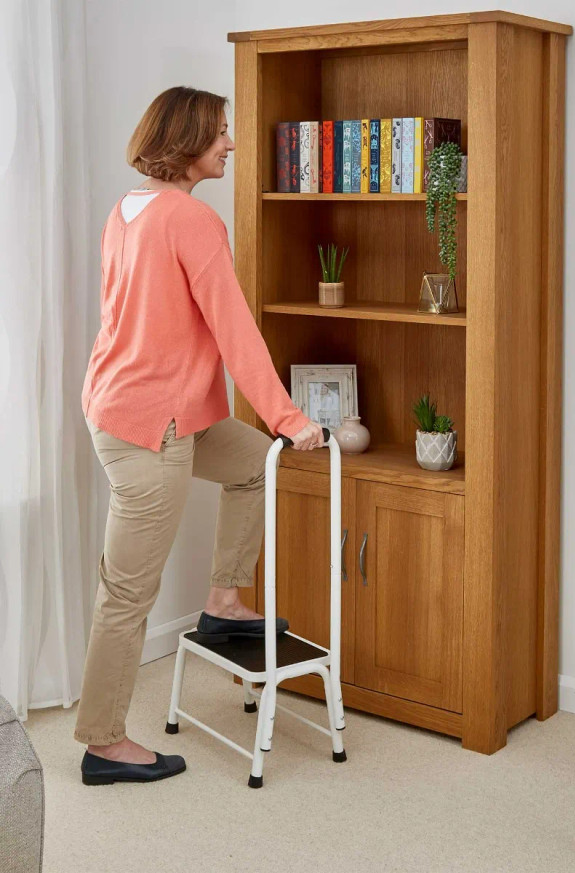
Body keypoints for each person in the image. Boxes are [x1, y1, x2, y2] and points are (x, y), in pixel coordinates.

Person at [75, 86, 324, 786]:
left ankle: (222, 602)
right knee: (127, 594)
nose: (231, 143)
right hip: (150, 428)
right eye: (219, 132)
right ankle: (103, 742)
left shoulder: (127, 209)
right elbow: (235, 331)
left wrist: (271, 432)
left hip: (136, 408)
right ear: (186, 140)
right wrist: (290, 417)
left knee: (257, 464)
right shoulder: (191, 219)